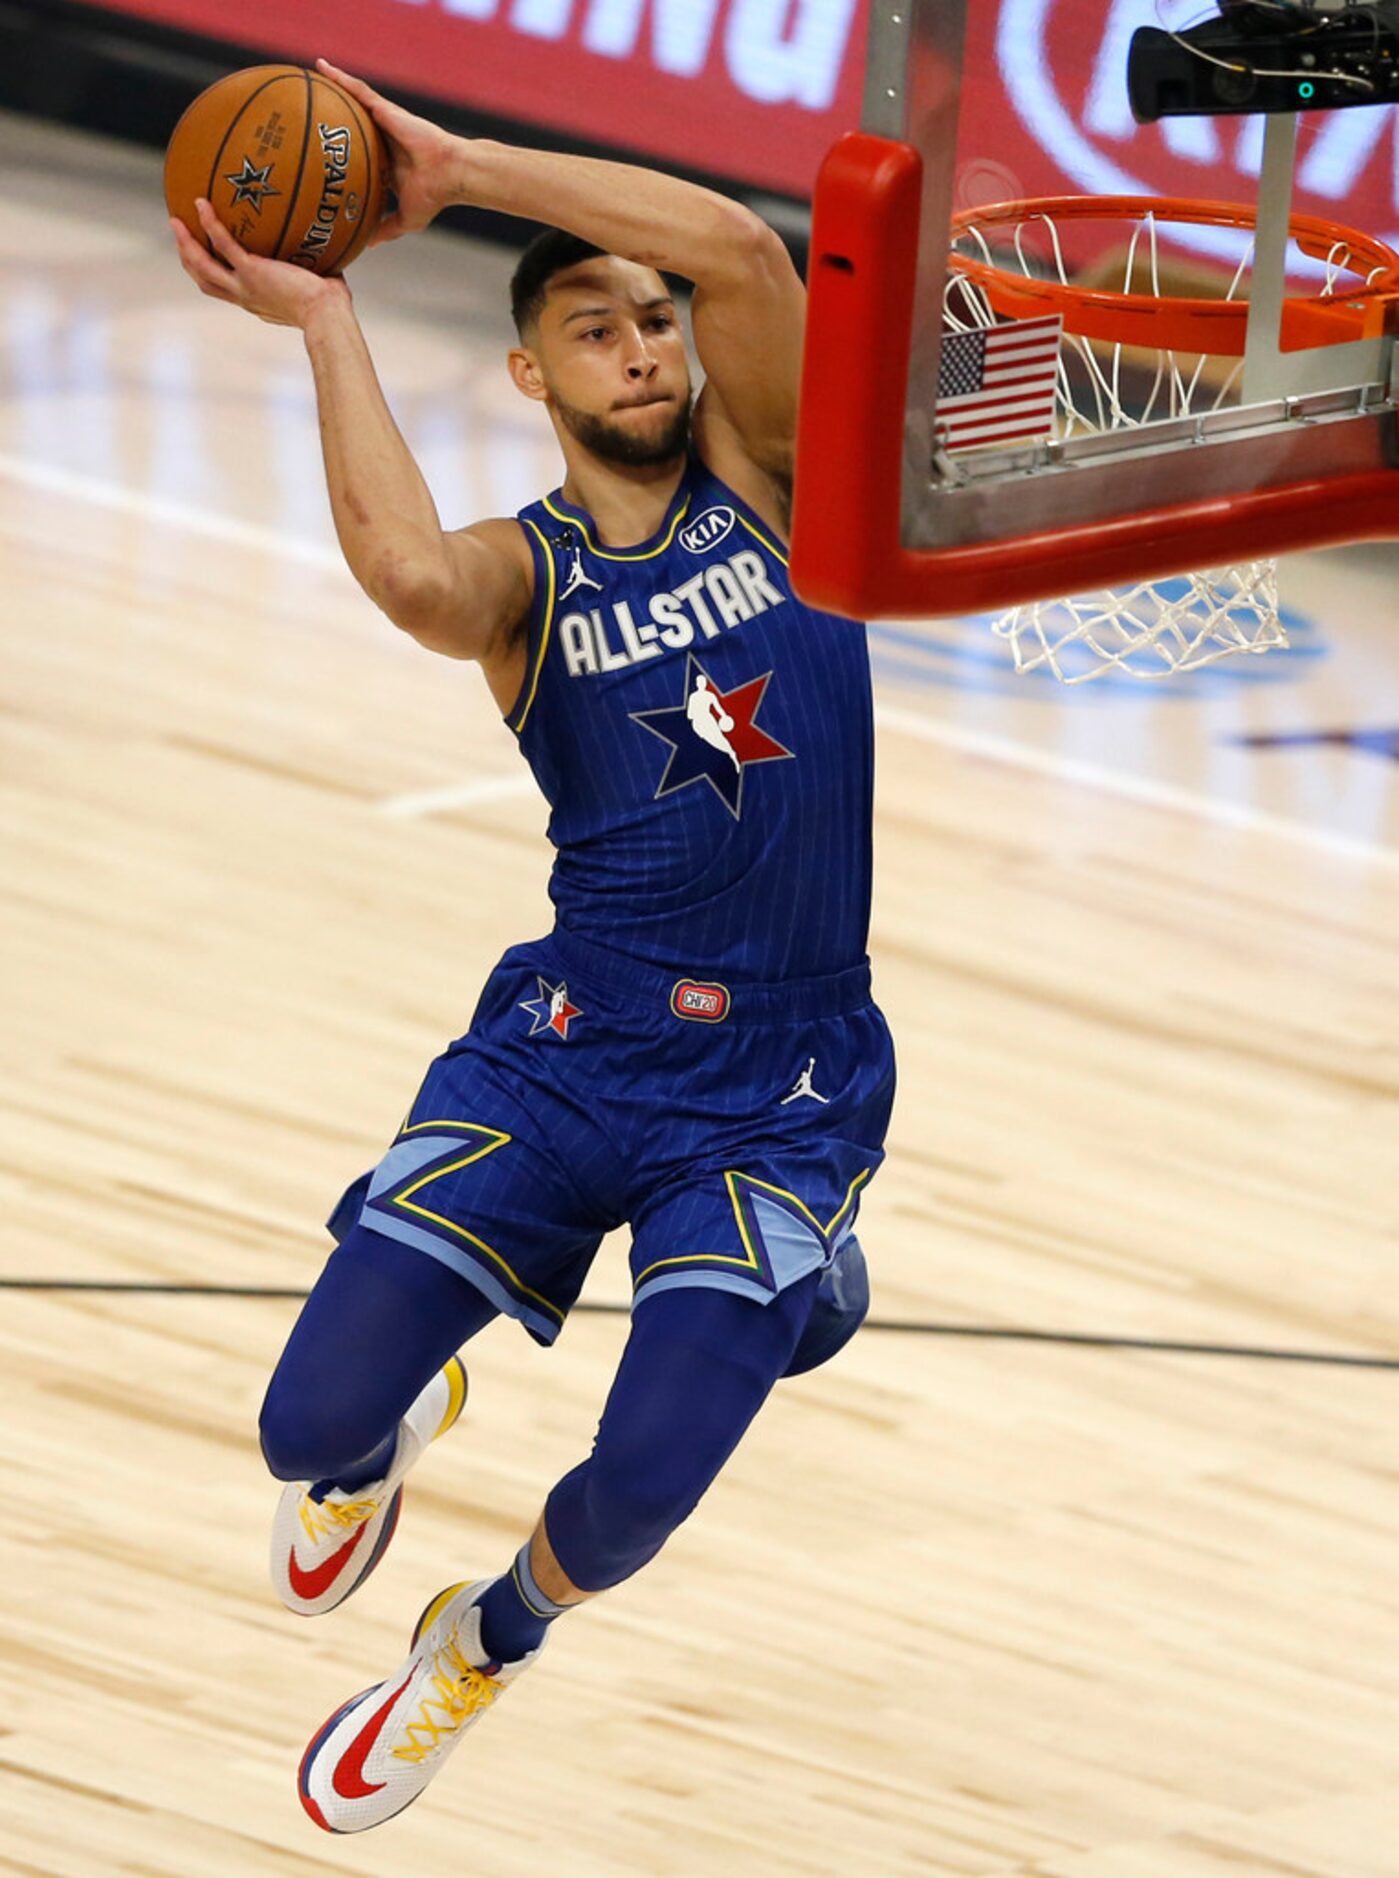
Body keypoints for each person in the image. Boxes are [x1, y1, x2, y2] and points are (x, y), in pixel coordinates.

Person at [172, 58, 895, 1837]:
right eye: (594, 329)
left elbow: (735, 237)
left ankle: (478, 1645)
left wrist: (464, 166)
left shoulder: (774, 475)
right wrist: (330, 315)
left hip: (775, 1083)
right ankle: (390, 1436)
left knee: (640, 1484)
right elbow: (410, 577)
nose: (642, 344)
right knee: (303, 1424)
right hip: (572, 1048)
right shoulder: (528, 575)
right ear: (533, 377)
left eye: (653, 322)